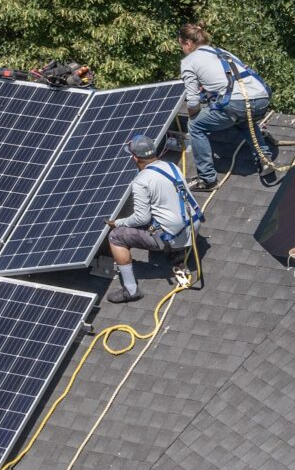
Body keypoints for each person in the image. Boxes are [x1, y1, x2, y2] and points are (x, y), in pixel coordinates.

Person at [105, 134, 201, 303]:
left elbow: (141, 218)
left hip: (171, 237)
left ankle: (131, 290)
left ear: (135, 157)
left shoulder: (141, 181)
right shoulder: (171, 166)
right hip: (193, 228)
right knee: (163, 211)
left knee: (116, 236)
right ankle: (177, 255)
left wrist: (117, 223)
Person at [177, 23, 271, 191]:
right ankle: (265, 160)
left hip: (238, 104)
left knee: (196, 125)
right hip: (262, 98)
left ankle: (207, 180)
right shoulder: (222, 52)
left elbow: (192, 102)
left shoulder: (188, 62)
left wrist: (194, 115)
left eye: (181, 45)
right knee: (242, 118)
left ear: (188, 43)